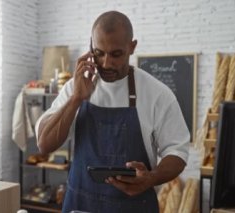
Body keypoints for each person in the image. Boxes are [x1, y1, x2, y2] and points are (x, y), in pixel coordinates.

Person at [36, 10, 189, 213]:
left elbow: (177, 152)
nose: (106, 63)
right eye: (99, 53)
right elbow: (45, 144)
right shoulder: (76, 87)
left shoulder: (157, 94)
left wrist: (150, 178)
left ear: (131, 47)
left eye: (116, 54)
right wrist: (76, 98)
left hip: (134, 206)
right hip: (81, 205)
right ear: (91, 47)